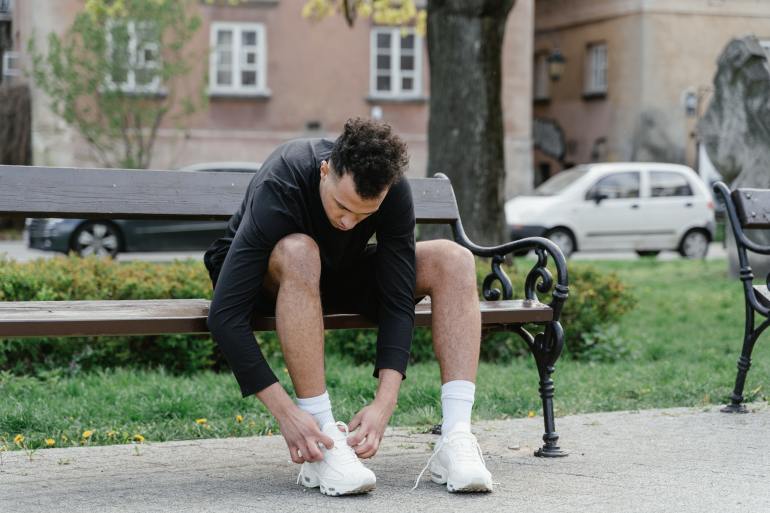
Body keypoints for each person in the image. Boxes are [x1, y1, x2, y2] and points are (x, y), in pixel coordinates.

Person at [204, 118, 493, 495]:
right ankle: (323, 439)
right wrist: (289, 415)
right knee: (300, 250)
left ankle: (456, 437)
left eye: (364, 215)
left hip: (338, 272)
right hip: (265, 278)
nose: (347, 221)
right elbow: (224, 316)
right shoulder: (284, 179)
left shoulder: (391, 191)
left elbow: (397, 296)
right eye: (342, 206)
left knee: (453, 259)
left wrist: (384, 403)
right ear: (325, 171)